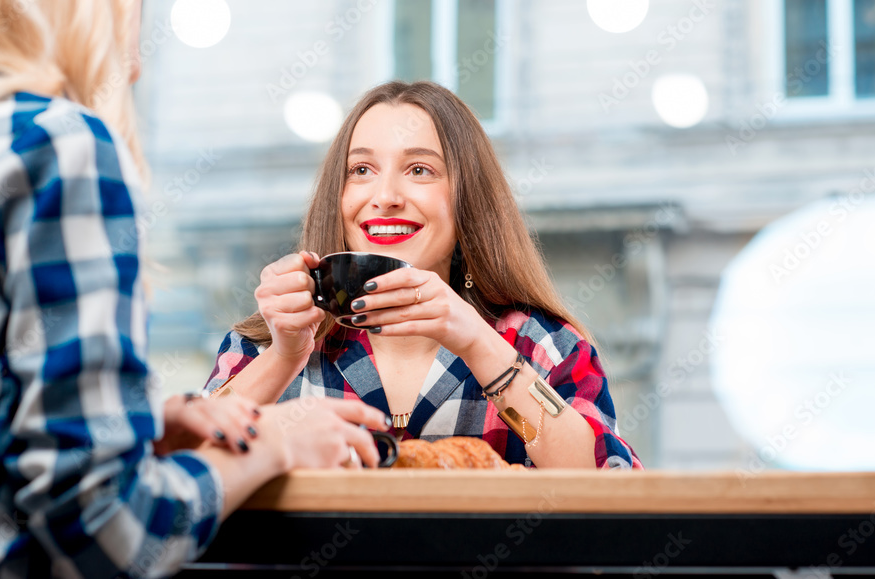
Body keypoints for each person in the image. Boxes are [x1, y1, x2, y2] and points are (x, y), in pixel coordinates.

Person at [0, 0, 388, 576]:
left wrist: (144, 423)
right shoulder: (60, 147)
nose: (138, 65)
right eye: (124, 12)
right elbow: (107, 531)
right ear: (69, 2)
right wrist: (273, 442)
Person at [206, 80, 642, 470]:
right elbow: (189, 472)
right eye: (361, 171)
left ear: (468, 198)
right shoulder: (264, 344)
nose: (386, 196)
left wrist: (477, 343)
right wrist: (285, 357)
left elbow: (601, 487)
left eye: (419, 170)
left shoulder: (541, 344)